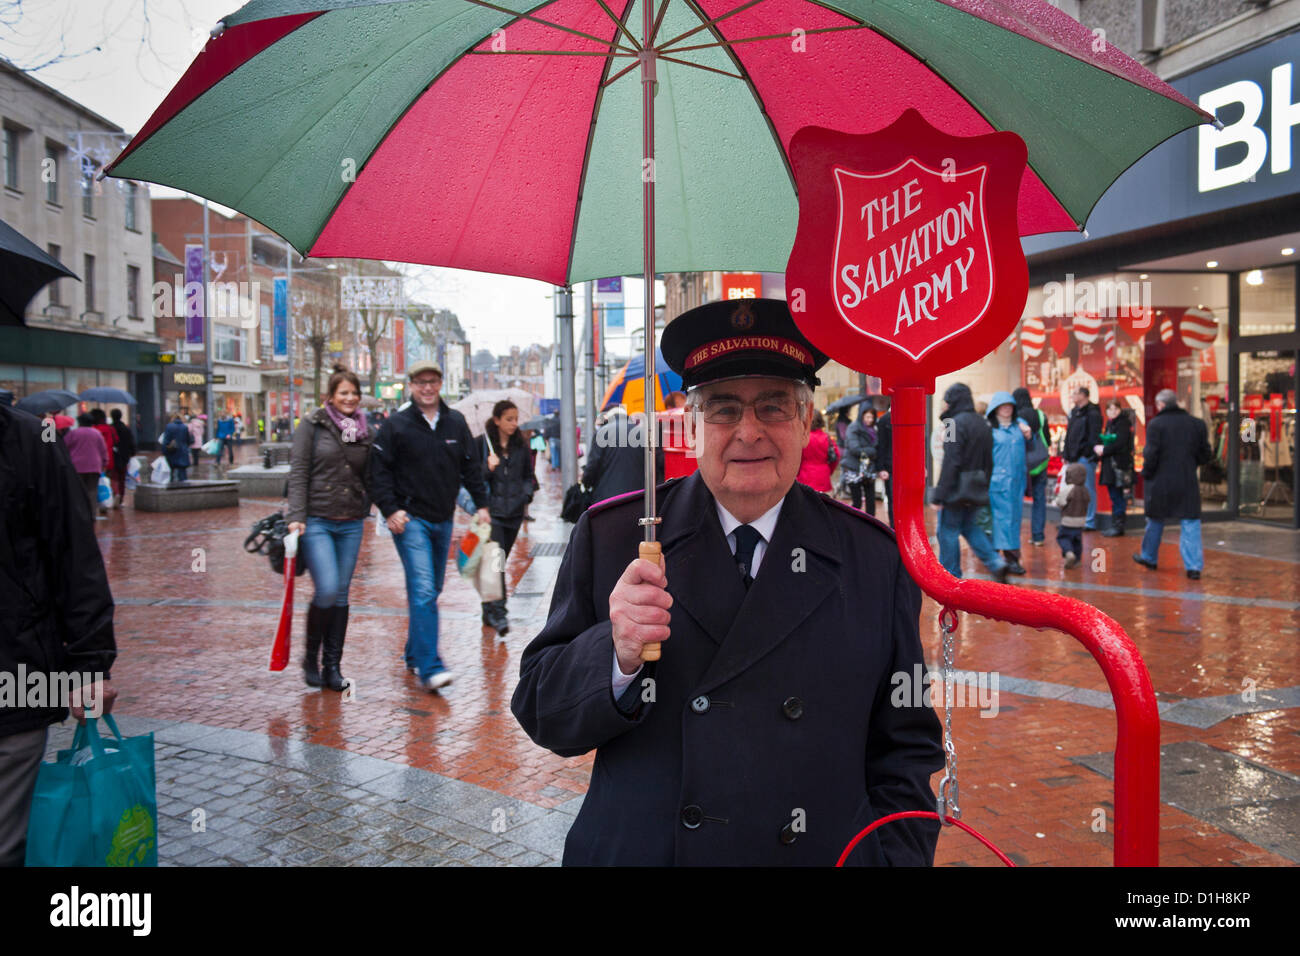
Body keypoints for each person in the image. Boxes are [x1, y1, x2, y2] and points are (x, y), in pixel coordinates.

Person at [511, 298, 943, 866]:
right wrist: (613, 654)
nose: (748, 432)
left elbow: (905, 744)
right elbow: (543, 714)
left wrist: (890, 858)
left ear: (806, 420)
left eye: (773, 407)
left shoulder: (872, 557)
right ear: (692, 425)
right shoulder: (615, 537)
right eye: (722, 409)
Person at [0, 402, 117, 867]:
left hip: (14, 679)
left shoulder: (29, 441)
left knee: (6, 847)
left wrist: (90, 665)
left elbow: (75, 556)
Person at [369, 361, 489, 691]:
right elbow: (377, 472)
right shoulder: (396, 425)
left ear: (440, 383)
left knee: (431, 590)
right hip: (410, 521)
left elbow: (471, 469)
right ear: (410, 385)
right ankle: (430, 667)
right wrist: (391, 509)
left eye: (432, 381)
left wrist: (481, 505)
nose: (426, 387)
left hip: (443, 518)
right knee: (423, 590)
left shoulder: (455, 422)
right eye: (420, 382)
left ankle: (414, 652)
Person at [287, 366, 373, 691]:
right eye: (343, 393)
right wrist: (296, 515)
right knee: (327, 588)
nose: (349, 398)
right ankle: (310, 656)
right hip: (318, 519)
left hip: (350, 521)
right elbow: (298, 471)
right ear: (331, 397)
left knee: (341, 593)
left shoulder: (364, 429)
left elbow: (371, 474)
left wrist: (376, 507)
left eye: (354, 393)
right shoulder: (312, 424)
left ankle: (332, 667)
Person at [931, 384, 1009, 583]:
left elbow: (951, 461)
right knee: (970, 527)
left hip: (956, 488)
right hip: (977, 486)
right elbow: (989, 460)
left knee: (947, 531)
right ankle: (995, 562)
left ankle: (950, 575)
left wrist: (940, 493)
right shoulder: (983, 423)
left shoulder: (952, 424)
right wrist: (985, 483)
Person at [1133, 389, 1212, 580]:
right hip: (1187, 479)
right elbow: (1205, 454)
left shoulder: (1156, 425)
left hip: (1160, 481)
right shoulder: (1197, 424)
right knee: (1190, 522)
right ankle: (1193, 567)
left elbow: (1151, 455)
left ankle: (1149, 557)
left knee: (1155, 520)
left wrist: (1146, 474)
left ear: (1161, 405)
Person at [477, 400, 537, 639]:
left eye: (515, 419)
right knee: (497, 562)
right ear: (497, 420)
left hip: (513, 513)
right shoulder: (482, 445)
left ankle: (487, 608)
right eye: (509, 419)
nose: (514, 424)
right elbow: (471, 477)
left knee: (497, 562)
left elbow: (527, 476)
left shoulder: (520, 446)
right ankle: (500, 614)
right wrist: (487, 467)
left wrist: (526, 494)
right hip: (491, 514)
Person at [986, 392, 1033, 575]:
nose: (1007, 409)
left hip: (1015, 484)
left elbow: (1031, 441)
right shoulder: (990, 429)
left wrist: (1026, 429)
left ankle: (1011, 558)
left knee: (1013, 521)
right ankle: (997, 558)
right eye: (1003, 405)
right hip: (996, 483)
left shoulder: (1019, 427)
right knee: (997, 522)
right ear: (996, 408)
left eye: (1010, 406)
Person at [582, 407, 662, 503]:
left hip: (607, 499)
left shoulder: (602, 432)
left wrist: (585, 483)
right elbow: (655, 465)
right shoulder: (643, 433)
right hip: (638, 497)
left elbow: (592, 466)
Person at [1013, 387, 1050, 546]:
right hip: (1040, 463)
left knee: (1016, 500)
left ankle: (1014, 536)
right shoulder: (1040, 415)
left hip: (1022, 465)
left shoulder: (1015, 418)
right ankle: (1038, 536)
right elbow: (1047, 439)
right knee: (1039, 499)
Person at [1063, 386, 1102, 530]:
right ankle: (1076, 519)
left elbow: (1094, 436)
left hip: (1084, 457)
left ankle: (1089, 521)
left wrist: (1086, 453)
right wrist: (1066, 453)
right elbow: (1069, 434)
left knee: (1087, 488)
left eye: (1075, 393)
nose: (1072, 396)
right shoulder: (1074, 412)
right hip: (1073, 456)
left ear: (1084, 395)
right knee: (1074, 490)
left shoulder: (1092, 413)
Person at [1095, 398, 1135, 537]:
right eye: (1110, 409)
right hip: (1111, 465)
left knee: (1117, 495)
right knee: (1114, 494)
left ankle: (1118, 525)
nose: (1112, 412)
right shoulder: (1110, 423)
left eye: (1115, 409)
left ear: (1120, 409)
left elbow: (1120, 443)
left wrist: (1104, 449)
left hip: (1118, 464)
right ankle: (1116, 523)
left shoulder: (1123, 423)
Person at [65, 414, 111, 517]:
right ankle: (91, 514)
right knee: (92, 491)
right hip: (94, 467)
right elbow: (103, 450)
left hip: (76, 467)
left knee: (77, 492)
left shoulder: (73, 433)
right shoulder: (97, 433)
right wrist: (105, 463)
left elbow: (65, 447)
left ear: (80, 422)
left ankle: (79, 514)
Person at [1053, 462, 1091, 569]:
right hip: (1081, 521)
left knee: (1063, 538)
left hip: (1068, 520)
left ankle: (1069, 553)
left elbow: (1061, 502)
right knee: (1077, 541)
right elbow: (1088, 502)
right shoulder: (1085, 490)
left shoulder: (1068, 489)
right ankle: (1077, 560)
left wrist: (1057, 502)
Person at [843, 406, 878, 514]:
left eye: (872, 417)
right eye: (867, 417)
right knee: (857, 502)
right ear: (861, 416)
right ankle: (853, 525)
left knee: (871, 500)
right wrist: (873, 451)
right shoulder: (853, 427)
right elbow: (855, 449)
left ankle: (871, 525)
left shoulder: (874, 429)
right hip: (854, 468)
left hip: (868, 468)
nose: (870, 420)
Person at [796, 408, 837, 493]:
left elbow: (797, 460)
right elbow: (836, 457)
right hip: (823, 477)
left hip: (805, 476)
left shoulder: (803, 439)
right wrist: (829, 471)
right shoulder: (827, 438)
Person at [88, 409, 118, 515]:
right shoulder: (109, 428)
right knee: (107, 481)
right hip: (108, 458)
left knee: (93, 485)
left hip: (94, 461)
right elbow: (115, 441)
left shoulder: (93, 430)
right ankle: (107, 501)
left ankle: (98, 504)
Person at [108, 408, 136, 508]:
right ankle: (121, 498)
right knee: (122, 478)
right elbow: (131, 442)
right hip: (124, 456)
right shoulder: (126, 428)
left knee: (114, 477)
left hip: (112, 456)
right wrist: (132, 453)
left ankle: (115, 493)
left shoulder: (110, 428)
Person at [875, 406, 894, 525]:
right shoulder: (884, 420)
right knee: (892, 498)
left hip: (905, 466)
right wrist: (881, 467)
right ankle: (894, 527)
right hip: (889, 466)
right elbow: (881, 445)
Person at [161, 414, 192, 482]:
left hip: (171, 451)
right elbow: (188, 440)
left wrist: (164, 451)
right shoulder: (184, 427)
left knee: (170, 472)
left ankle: (171, 486)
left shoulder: (169, 426)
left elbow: (166, 440)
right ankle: (183, 488)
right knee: (182, 473)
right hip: (182, 451)